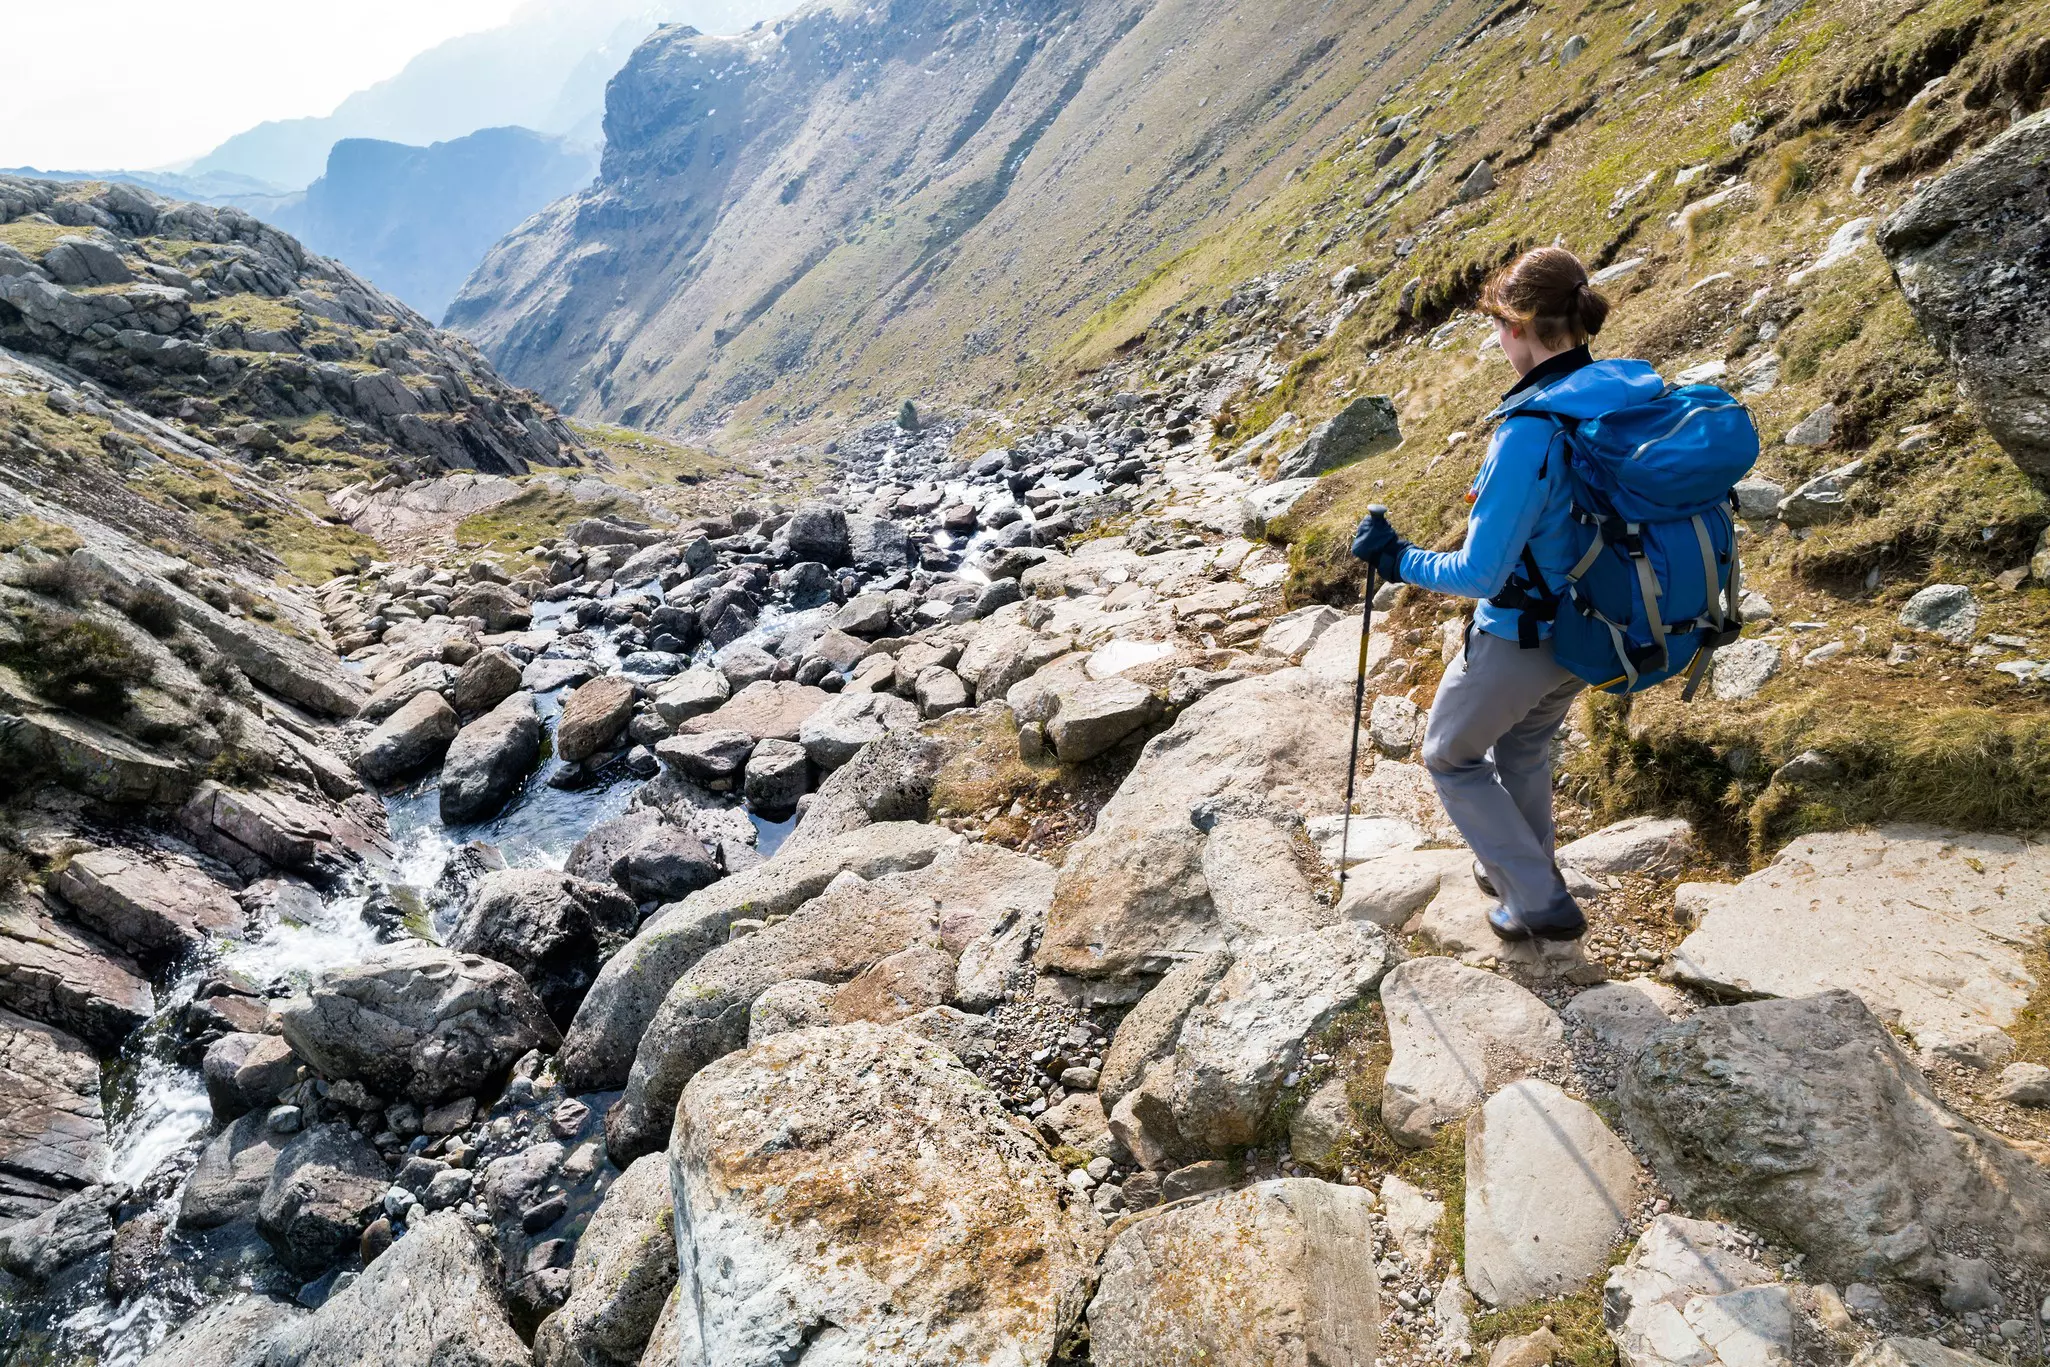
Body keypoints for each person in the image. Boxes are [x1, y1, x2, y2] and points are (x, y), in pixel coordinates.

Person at [1349, 246, 1664, 942]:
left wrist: (1398, 558)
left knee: (1449, 755)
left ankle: (1538, 900)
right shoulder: (1622, 389)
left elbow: (1479, 575)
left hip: (1522, 634)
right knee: (1522, 749)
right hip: (1596, 625)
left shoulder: (1529, 431)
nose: (1496, 340)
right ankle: (1522, 869)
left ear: (1518, 326)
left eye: (1498, 325)